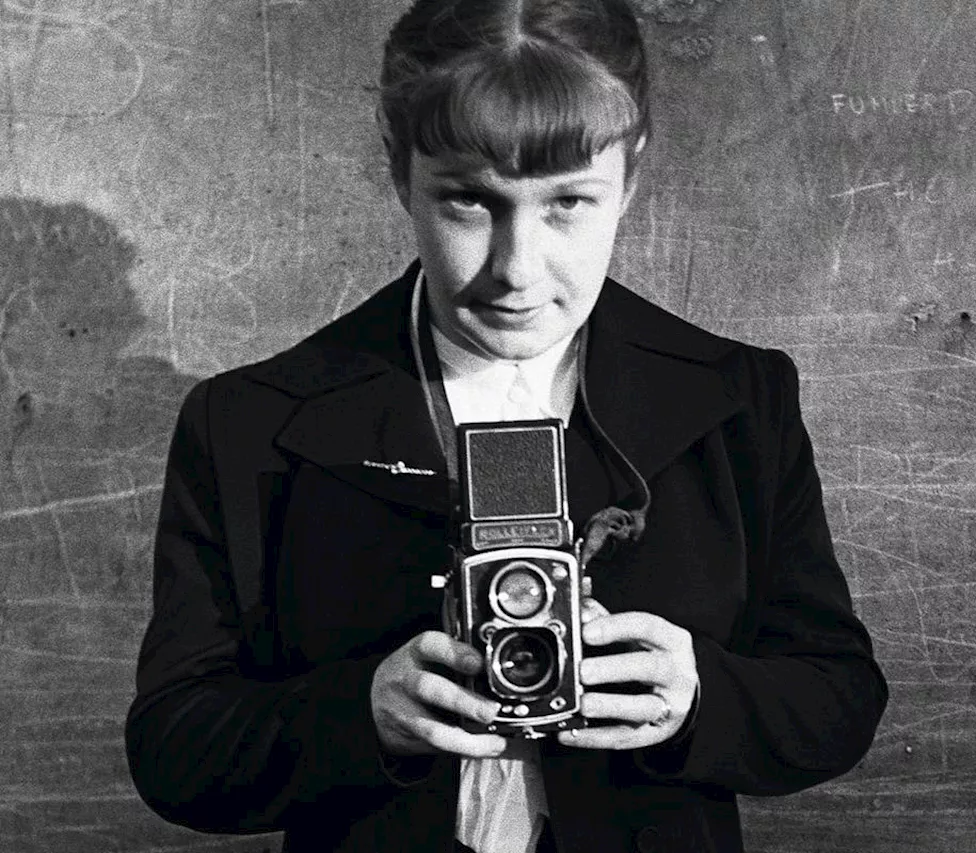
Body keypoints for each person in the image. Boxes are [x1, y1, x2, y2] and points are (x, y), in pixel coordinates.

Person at [124, 1, 888, 851]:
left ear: (630, 179)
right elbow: (173, 750)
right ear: (397, 171)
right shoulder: (251, 422)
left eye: (568, 203)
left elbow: (839, 699)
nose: (517, 271)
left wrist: (702, 696)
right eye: (468, 202)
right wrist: (360, 713)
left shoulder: (741, 399)